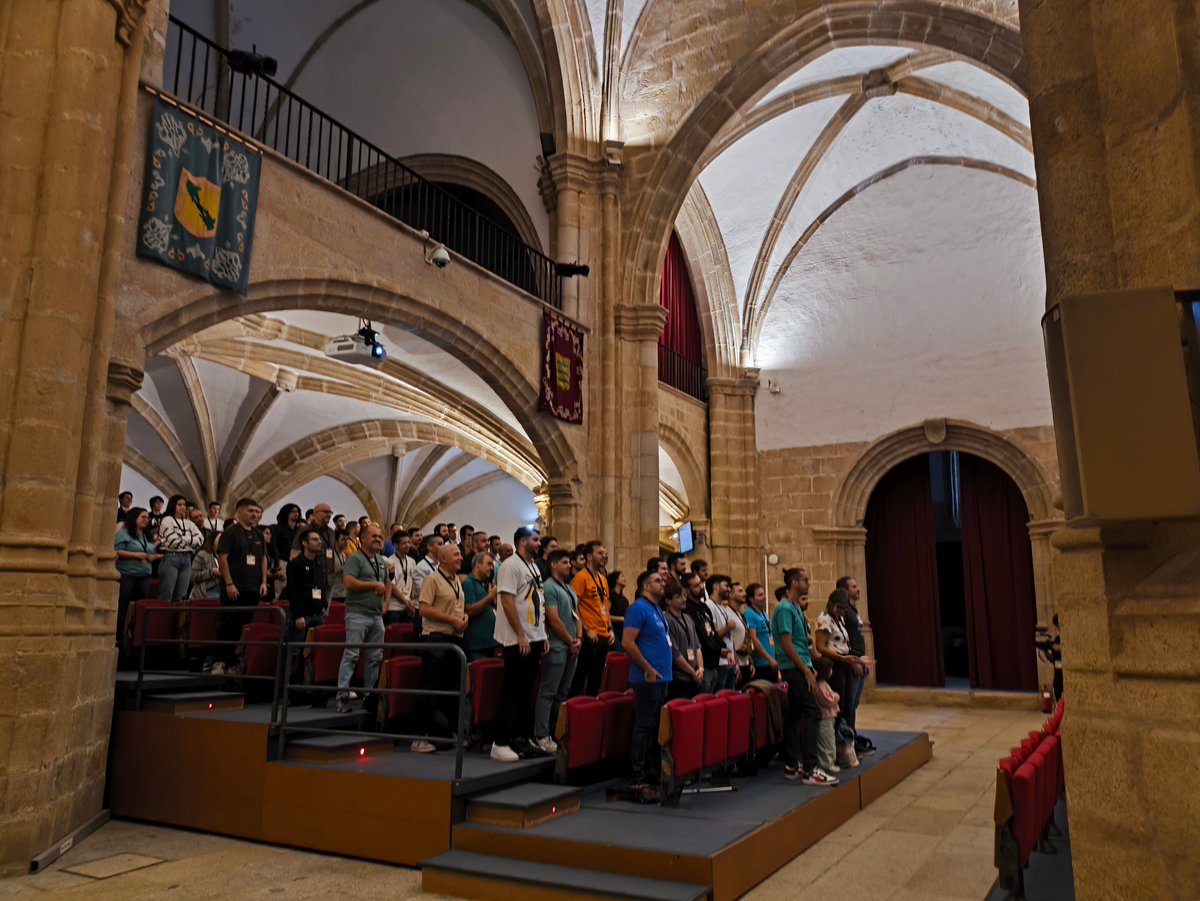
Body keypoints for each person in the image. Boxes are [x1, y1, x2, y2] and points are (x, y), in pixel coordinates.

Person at [773, 568, 836, 785]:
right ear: (793, 582)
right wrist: (805, 669)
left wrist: (810, 663)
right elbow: (787, 644)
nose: (808, 582)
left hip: (801, 664)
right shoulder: (783, 609)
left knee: (794, 712)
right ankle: (810, 768)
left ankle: (792, 762)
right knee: (812, 710)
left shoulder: (795, 607)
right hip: (793, 666)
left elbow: (802, 642)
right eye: (805, 579)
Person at [492, 527, 547, 762]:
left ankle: (520, 738)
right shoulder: (510, 565)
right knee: (512, 690)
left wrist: (541, 634)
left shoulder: (533, 566)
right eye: (535, 539)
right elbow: (507, 601)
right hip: (517, 639)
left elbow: (537, 601)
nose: (539, 543)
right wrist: (521, 634)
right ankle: (501, 741)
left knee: (527, 691)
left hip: (534, 636)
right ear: (523, 541)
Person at [414, 542, 469, 752]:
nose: (461, 558)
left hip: (455, 638)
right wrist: (451, 620)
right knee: (430, 688)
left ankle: (443, 733)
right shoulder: (433, 579)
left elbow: (458, 605)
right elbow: (424, 609)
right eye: (456, 554)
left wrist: (464, 617)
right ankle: (420, 736)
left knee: (450, 688)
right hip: (436, 638)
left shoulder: (456, 580)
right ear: (443, 559)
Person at [622, 570, 671, 798]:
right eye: (657, 581)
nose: (662, 584)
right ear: (645, 586)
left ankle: (651, 771)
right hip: (646, 678)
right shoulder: (638, 608)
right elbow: (628, 643)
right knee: (644, 726)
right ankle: (637, 776)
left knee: (654, 727)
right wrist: (648, 669)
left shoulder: (658, 610)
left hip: (662, 677)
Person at [337, 523, 390, 714]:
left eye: (380, 537)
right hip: (358, 613)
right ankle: (342, 698)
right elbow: (348, 583)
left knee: (375, 658)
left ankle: (370, 698)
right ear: (363, 539)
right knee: (351, 655)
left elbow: (387, 583)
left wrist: (386, 604)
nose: (378, 539)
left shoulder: (380, 560)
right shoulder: (355, 559)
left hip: (376, 615)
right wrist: (372, 585)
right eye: (374, 536)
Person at [535, 549, 581, 752]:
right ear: (553, 565)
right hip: (557, 646)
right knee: (548, 692)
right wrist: (571, 640)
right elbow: (553, 619)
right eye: (564, 562)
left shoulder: (569, 588)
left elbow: (577, 615)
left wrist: (579, 638)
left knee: (563, 693)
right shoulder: (549, 587)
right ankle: (541, 735)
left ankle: (556, 731)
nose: (569, 566)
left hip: (572, 646)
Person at [214, 498, 267, 675]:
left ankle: (234, 660)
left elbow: (264, 558)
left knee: (244, 625)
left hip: (252, 587)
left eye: (256, 511)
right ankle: (220, 660)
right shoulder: (231, 532)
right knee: (228, 624)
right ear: (240, 512)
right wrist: (229, 583)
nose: (254, 514)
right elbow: (222, 558)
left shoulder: (259, 534)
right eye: (250, 511)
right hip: (234, 586)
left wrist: (264, 582)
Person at [816, 589, 863, 768]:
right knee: (837, 706)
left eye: (844, 609)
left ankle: (845, 745)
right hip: (834, 664)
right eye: (839, 608)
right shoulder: (825, 619)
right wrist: (842, 658)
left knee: (846, 705)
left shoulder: (839, 618)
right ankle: (834, 750)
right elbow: (821, 647)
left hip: (844, 663)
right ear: (831, 603)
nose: (842, 612)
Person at [835, 575, 876, 757]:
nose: (858, 589)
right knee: (848, 705)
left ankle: (851, 736)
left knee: (854, 704)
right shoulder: (844, 612)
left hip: (859, 661)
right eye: (853, 586)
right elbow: (844, 639)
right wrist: (854, 661)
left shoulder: (853, 610)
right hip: (852, 663)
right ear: (845, 590)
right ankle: (847, 741)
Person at [569, 540, 613, 697]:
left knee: (596, 680)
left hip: (603, 635)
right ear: (589, 556)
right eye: (599, 553)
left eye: (604, 553)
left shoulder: (603, 579)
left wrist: (610, 628)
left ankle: (590, 713)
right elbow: (573, 607)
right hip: (589, 636)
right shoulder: (581, 578)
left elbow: (604, 606)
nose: (604, 556)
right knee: (579, 679)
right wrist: (586, 630)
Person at [114, 507, 160, 643]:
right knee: (124, 605)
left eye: (147, 517)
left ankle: (134, 636)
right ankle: (119, 636)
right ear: (134, 518)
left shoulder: (146, 536)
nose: (147, 520)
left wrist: (155, 557)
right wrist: (135, 555)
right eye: (143, 517)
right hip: (128, 575)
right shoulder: (124, 533)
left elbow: (149, 551)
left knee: (140, 606)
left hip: (144, 575)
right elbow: (116, 551)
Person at [156, 494, 203, 602]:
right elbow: (173, 541)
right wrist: (191, 539)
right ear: (173, 505)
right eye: (179, 504)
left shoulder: (189, 523)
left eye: (184, 505)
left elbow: (200, 540)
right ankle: (162, 618)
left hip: (187, 558)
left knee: (181, 596)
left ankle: (176, 619)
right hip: (171, 557)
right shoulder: (167, 520)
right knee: (166, 594)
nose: (182, 507)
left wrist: (182, 538)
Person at [284, 527, 326, 645]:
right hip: (302, 614)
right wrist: (298, 615)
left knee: (314, 650)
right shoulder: (295, 564)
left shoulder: (318, 564)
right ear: (304, 543)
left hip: (317, 612)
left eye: (319, 539)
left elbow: (320, 585)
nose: (319, 542)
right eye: (314, 539)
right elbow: (292, 590)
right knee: (296, 650)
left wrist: (323, 604)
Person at [664, 581, 702, 701]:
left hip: (694, 676)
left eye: (685, 596)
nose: (684, 599)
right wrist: (692, 673)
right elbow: (675, 654)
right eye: (679, 597)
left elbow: (697, 646)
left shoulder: (688, 618)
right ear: (668, 601)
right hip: (678, 678)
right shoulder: (667, 620)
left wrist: (700, 669)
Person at [682, 573, 720, 693]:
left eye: (701, 584)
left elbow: (713, 631)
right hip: (701, 662)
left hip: (713, 662)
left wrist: (721, 648)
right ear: (687, 590)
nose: (702, 587)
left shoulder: (703, 607)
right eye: (696, 585)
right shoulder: (686, 609)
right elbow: (696, 637)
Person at [462, 551, 501, 661]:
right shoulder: (468, 583)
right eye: (488, 564)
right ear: (478, 564)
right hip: (477, 645)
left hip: (490, 642)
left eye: (492, 565)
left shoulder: (485, 584)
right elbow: (470, 610)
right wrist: (490, 596)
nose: (492, 568)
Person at [706, 574, 738, 690]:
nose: (728, 589)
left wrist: (736, 660)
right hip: (720, 661)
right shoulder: (709, 606)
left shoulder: (721, 607)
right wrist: (728, 627)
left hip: (729, 660)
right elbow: (712, 635)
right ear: (716, 587)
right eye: (726, 586)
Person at [813, 657, 841, 775]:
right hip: (825, 718)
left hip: (830, 717)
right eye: (830, 669)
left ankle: (830, 762)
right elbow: (828, 700)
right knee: (826, 743)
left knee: (830, 740)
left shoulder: (824, 684)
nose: (831, 672)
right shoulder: (819, 686)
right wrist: (836, 696)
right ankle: (827, 764)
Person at [743, 583, 777, 680]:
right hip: (761, 663)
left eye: (764, 594)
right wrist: (769, 659)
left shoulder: (764, 614)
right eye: (760, 595)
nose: (764, 597)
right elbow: (754, 639)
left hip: (771, 662)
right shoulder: (749, 614)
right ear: (751, 599)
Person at [384, 530, 416, 625]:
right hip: (394, 608)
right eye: (404, 543)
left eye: (408, 542)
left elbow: (414, 581)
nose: (407, 545)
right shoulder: (389, 562)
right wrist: (406, 603)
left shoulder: (412, 561)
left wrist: (413, 599)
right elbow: (392, 587)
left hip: (409, 606)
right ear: (395, 545)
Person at [189, 532, 221, 600]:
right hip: (208, 590)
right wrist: (211, 572)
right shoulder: (202, 554)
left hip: (224, 590)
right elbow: (193, 577)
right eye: (220, 538)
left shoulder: (226, 556)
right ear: (213, 540)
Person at [607, 570, 629, 646]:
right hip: (614, 632)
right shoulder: (611, 596)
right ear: (616, 580)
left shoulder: (624, 599)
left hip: (624, 633)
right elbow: (606, 614)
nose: (625, 579)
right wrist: (621, 619)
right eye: (622, 576)